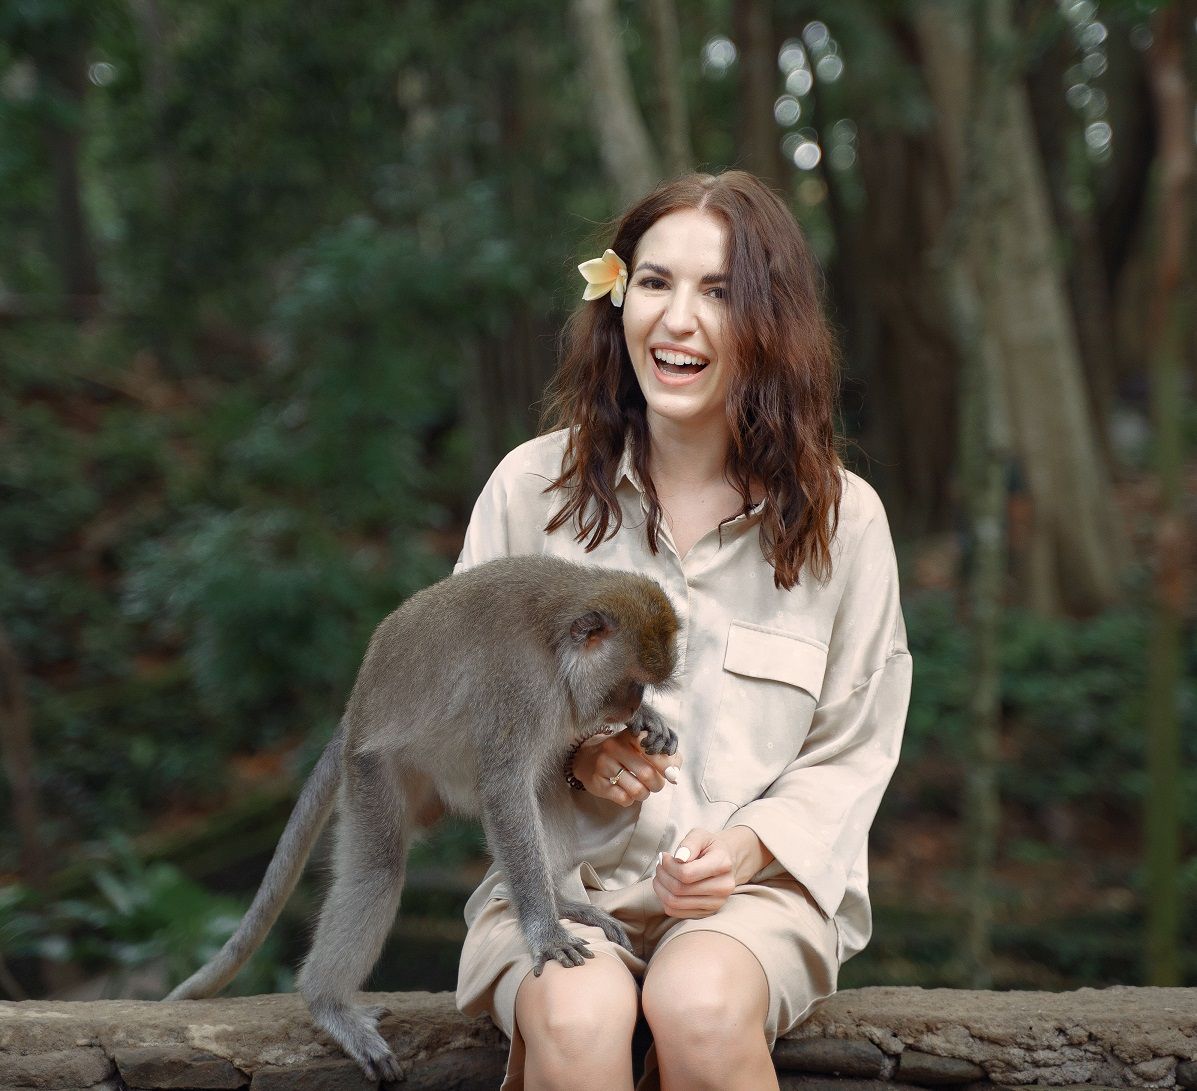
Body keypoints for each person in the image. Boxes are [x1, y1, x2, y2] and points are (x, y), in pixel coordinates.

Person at [453, 170, 912, 1091]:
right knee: (579, 1016)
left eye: (718, 292)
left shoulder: (844, 518)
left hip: (756, 899)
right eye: (655, 282)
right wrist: (574, 753)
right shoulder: (526, 490)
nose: (677, 320)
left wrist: (744, 850)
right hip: (556, 889)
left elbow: (853, 746)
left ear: (769, 321)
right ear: (615, 295)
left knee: (698, 1004)